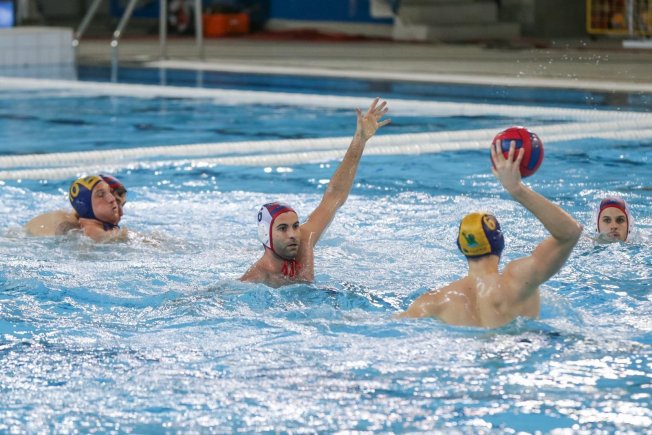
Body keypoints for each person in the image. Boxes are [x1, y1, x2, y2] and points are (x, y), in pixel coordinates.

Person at [397, 140, 583, 328]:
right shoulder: (519, 280)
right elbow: (570, 233)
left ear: (461, 246)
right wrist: (517, 190)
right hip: (525, 342)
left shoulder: (433, 302)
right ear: (500, 242)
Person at [240, 97, 391, 288]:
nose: (293, 234)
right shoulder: (255, 279)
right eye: (283, 228)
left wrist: (359, 141)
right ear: (265, 234)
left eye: (295, 226)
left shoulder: (305, 238)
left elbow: (334, 196)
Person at [25, 174, 127, 238]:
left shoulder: (81, 214)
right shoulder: (71, 224)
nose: (121, 213)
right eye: (118, 205)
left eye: (122, 205)